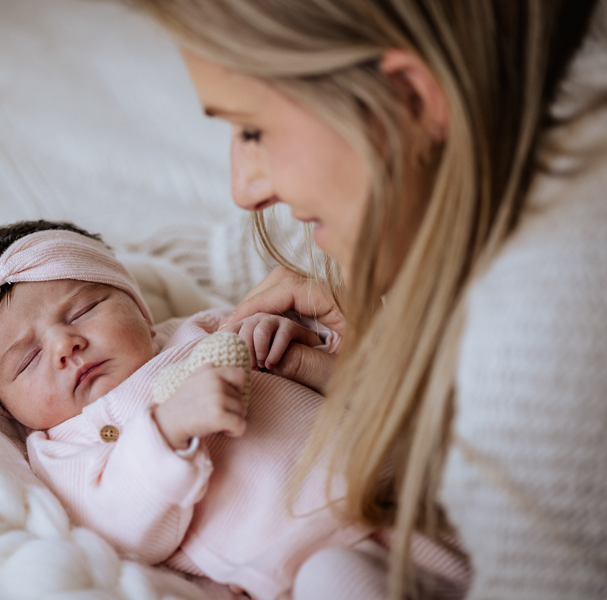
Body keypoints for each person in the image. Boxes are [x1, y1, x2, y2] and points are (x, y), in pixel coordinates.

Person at [123, 0, 607, 598]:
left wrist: (393, 365)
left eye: (252, 130)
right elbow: (226, 252)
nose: (242, 188)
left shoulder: (546, 314)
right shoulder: (457, 141)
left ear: (409, 97)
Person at [0, 221, 467, 600]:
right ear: (6, 406)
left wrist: (283, 336)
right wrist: (165, 430)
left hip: (410, 495)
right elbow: (123, 527)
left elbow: (339, 363)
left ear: (138, 307)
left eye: (83, 310)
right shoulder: (63, 449)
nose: (64, 345)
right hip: (307, 559)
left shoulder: (205, 330)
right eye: (28, 360)